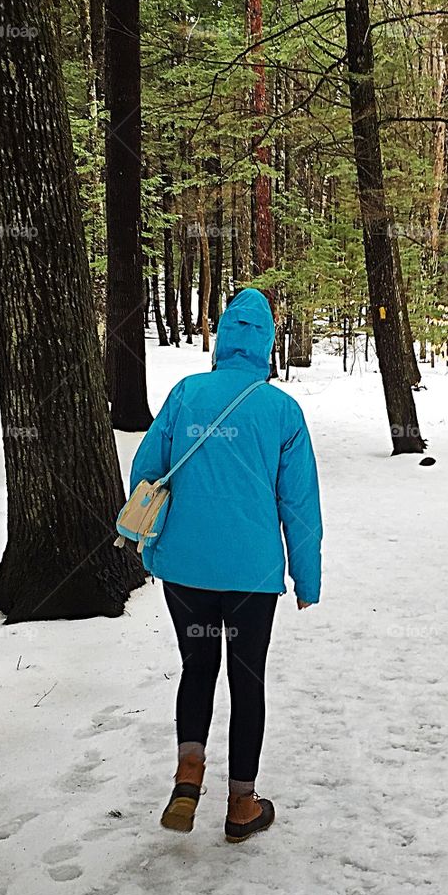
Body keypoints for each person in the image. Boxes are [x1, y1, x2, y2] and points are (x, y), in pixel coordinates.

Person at [129, 288, 322, 842]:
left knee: (197, 666)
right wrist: (306, 577)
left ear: (221, 339)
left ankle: (188, 775)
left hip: (185, 570)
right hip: (252, 577)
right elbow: (300, 505)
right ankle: (241, 804)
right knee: (247, 678)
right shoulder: (281, 410)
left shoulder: (186, 395)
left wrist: (155, 544)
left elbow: (146, 471)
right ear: (265, 345)